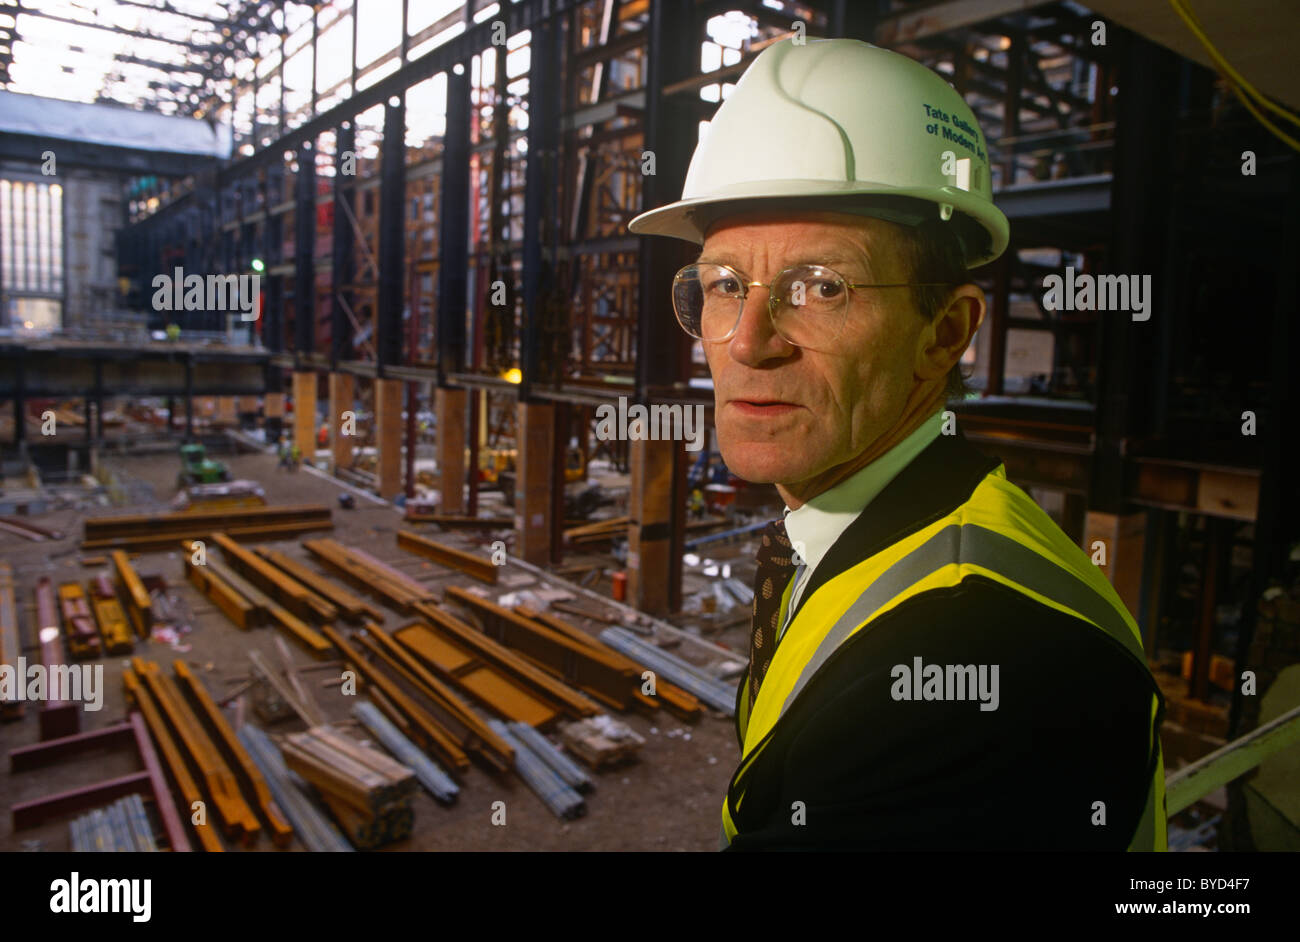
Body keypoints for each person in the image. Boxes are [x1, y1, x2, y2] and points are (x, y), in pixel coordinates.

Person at [629, 38, 1165, 850]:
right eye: (724, 286)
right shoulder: (871, 545)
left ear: (943, 334)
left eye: (822, 287)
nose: (746, 343)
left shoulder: (973, 659)